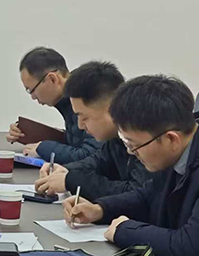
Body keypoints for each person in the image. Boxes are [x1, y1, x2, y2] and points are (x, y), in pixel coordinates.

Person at [62, 75, 199, 256]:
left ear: (171, 139)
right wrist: (100, 209)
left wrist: (124, 230)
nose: (131, 153)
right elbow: (148, 195)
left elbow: (192, 246)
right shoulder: (186, 145)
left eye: (134, 145)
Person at [34, 61, 151, 201]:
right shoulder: (116, 138)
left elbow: (135, 193)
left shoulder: (145, 137)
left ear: (111, 108)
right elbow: (96, 162)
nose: (80, 125)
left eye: (84, 117)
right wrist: (66, 170)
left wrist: (71, 181)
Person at [7, 47, 101, 164]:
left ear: (52, 79)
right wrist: (31, 134)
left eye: (31, 90)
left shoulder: (89, 95)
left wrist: (43, 148)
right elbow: (78, 141)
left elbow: (90, 156)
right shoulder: (68, 99)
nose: (33, 97)